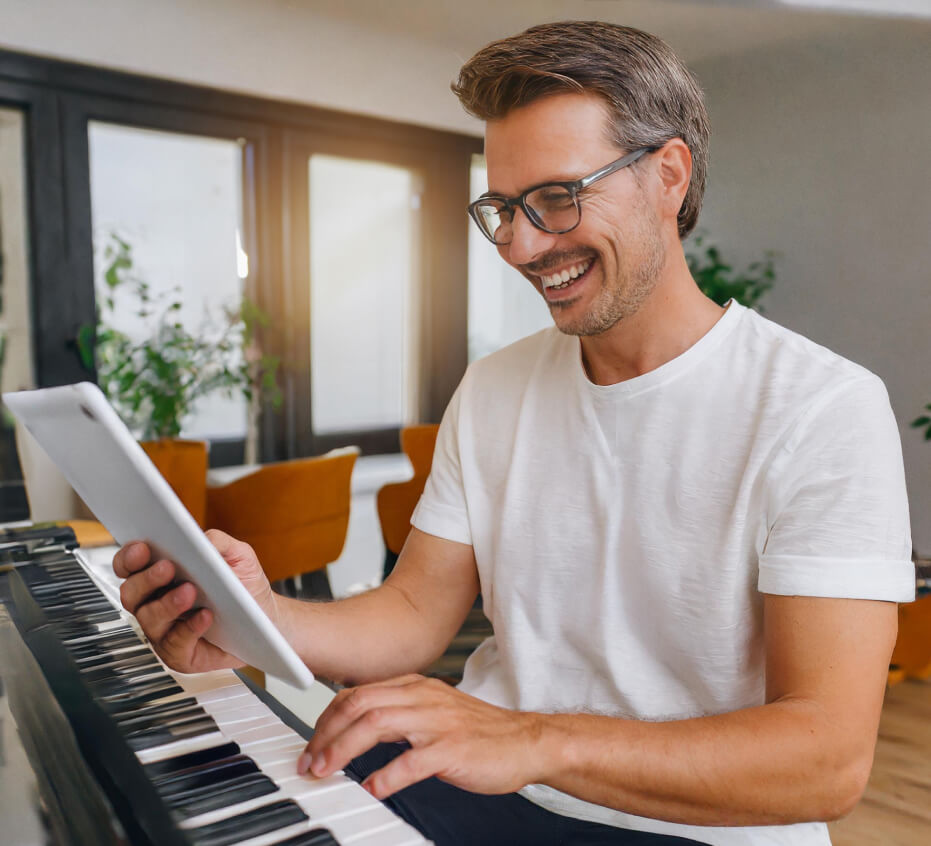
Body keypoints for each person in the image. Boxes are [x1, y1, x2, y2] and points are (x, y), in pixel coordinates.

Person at [113, 21, 914, 846]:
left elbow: (827, 760)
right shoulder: (496, 386)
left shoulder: (820, 409)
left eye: (557, 199)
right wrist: (252, 618)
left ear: (667, 176)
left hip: (690, 829)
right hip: (478, 788)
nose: (522, 244)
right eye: (500, 207)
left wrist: (532, 740)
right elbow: (415, 612)